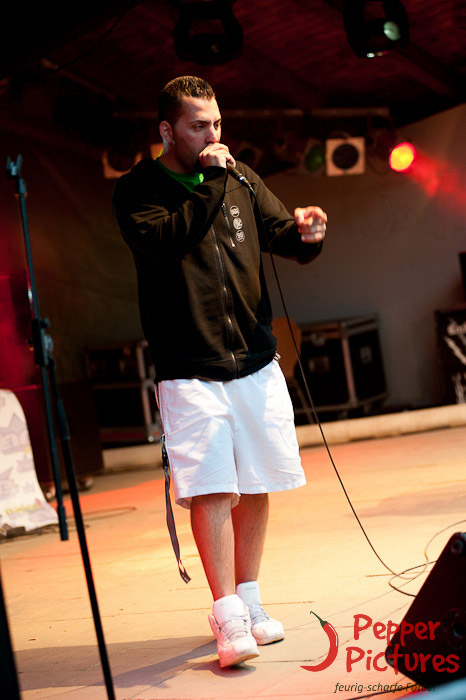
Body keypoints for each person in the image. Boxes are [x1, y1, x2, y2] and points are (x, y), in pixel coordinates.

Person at [113, 76, 327, 669]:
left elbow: (280, 234)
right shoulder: (138, 189)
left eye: (218, 124)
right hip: (189, 367)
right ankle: (226, 613)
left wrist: (307, 234)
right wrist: (211, 182)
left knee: (255, 482)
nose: (214, 136)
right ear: (167, 130)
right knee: (211, 486)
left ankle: (251, 601)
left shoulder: (239, 177)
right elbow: (168, 241)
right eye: (199, 126)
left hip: (253, 359)